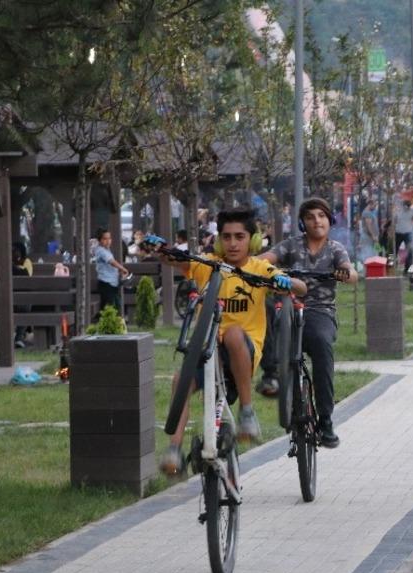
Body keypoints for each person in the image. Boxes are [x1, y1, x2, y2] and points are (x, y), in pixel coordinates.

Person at [152, 207, 306, 474]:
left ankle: (248, 412)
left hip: (243, 354)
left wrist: (285, 280)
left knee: (233, 333)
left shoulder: (259, 269)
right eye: (227, 237)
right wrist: (160, 250)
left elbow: (302, 288)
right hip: (210, 355)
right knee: (180, 381)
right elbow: (174, 260)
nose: (233, 243)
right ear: (219, 239)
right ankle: (174, 450)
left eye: (240, 236)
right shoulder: (208, 264)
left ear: (253, 241)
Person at [259, 196, 355, 448]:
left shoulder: (336, 249)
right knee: (268, 313)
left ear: (329, 220)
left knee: (323, 347)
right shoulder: (291, 246)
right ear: (302, 222)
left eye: (321, 216)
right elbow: (267, 258)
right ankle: (271, 375)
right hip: (289, 307)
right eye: (311, 217)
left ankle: (325, 419)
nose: (317, 221)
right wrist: (257, 266)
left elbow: (350, 271)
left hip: (320, 313)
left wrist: (345, 273)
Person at [93, 229, 130, 314]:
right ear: (100, 240)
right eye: (105, 239)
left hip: (112, 283)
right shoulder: (100, 251)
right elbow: (111, 262)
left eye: (109, 238)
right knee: (109, 307)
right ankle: (108, 324)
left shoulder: (107, 250)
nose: (108, 241)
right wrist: (123, 269)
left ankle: (115, 324)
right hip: (106, 283)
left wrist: (118, 272)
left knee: (115, 306)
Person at [393, 196, 413, 260]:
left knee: (409, 249)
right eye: (407, 207)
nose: (408, 208)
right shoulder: (398, 210)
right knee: (394, 249)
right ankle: (392, 263)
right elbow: (394, 221)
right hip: (398, 232)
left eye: (409, 207)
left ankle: (408, 266)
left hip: (408, 232)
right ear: (403, 205)